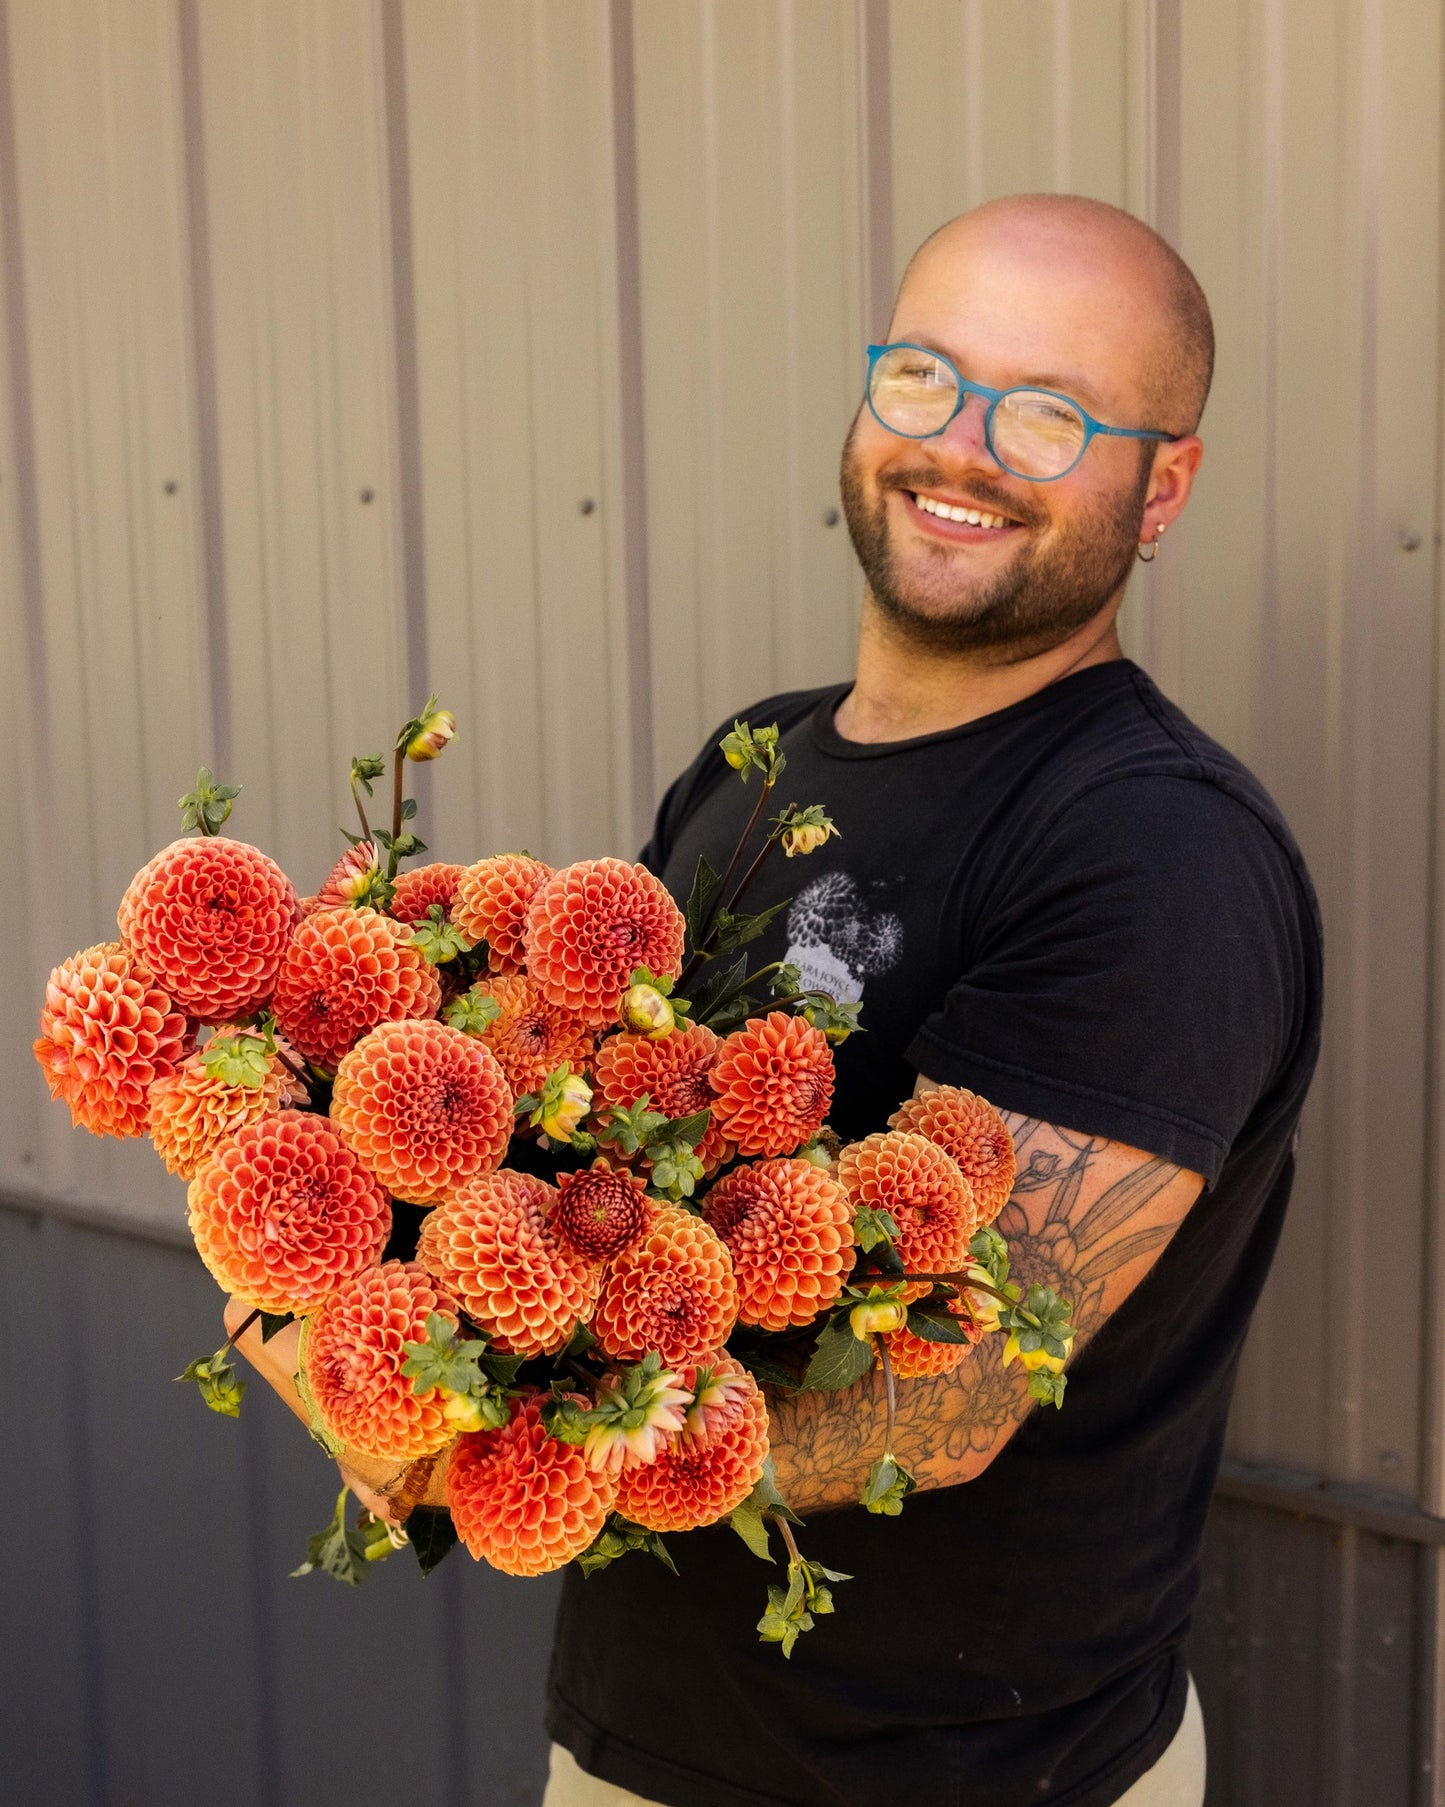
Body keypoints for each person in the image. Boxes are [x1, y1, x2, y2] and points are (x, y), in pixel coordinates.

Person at [231, 193, 1321, 1807]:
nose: (959, 448)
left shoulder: (1157, 855)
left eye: (1045, 412)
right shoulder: (758, 763)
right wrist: (305, 1148)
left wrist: (445, 1433)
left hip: (964, 1774)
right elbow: (578, 1157)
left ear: (1162, 485)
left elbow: (932, 1402)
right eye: (922, 379)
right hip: (640, 1741)